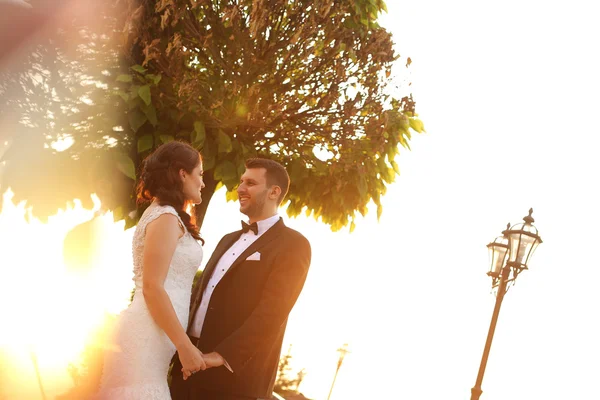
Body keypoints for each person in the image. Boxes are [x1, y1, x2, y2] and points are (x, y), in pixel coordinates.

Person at [170, 158, 312, 400]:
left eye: (251, 183)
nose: (241, 188)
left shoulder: (294, 244)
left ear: (274, 192)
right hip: (188, 366)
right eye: (241, 182)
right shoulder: (227, 239)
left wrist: (221, 355)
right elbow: (201, 297)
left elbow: (272, 312)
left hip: (233, 379)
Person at [96, 141, 217, 399]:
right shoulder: (165, 217)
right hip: (145, 336)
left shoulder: (166, 214)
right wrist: (185, 347)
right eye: (200, 175)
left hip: (154, 339)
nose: (203, 183)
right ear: (183, 173)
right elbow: (152, 286)